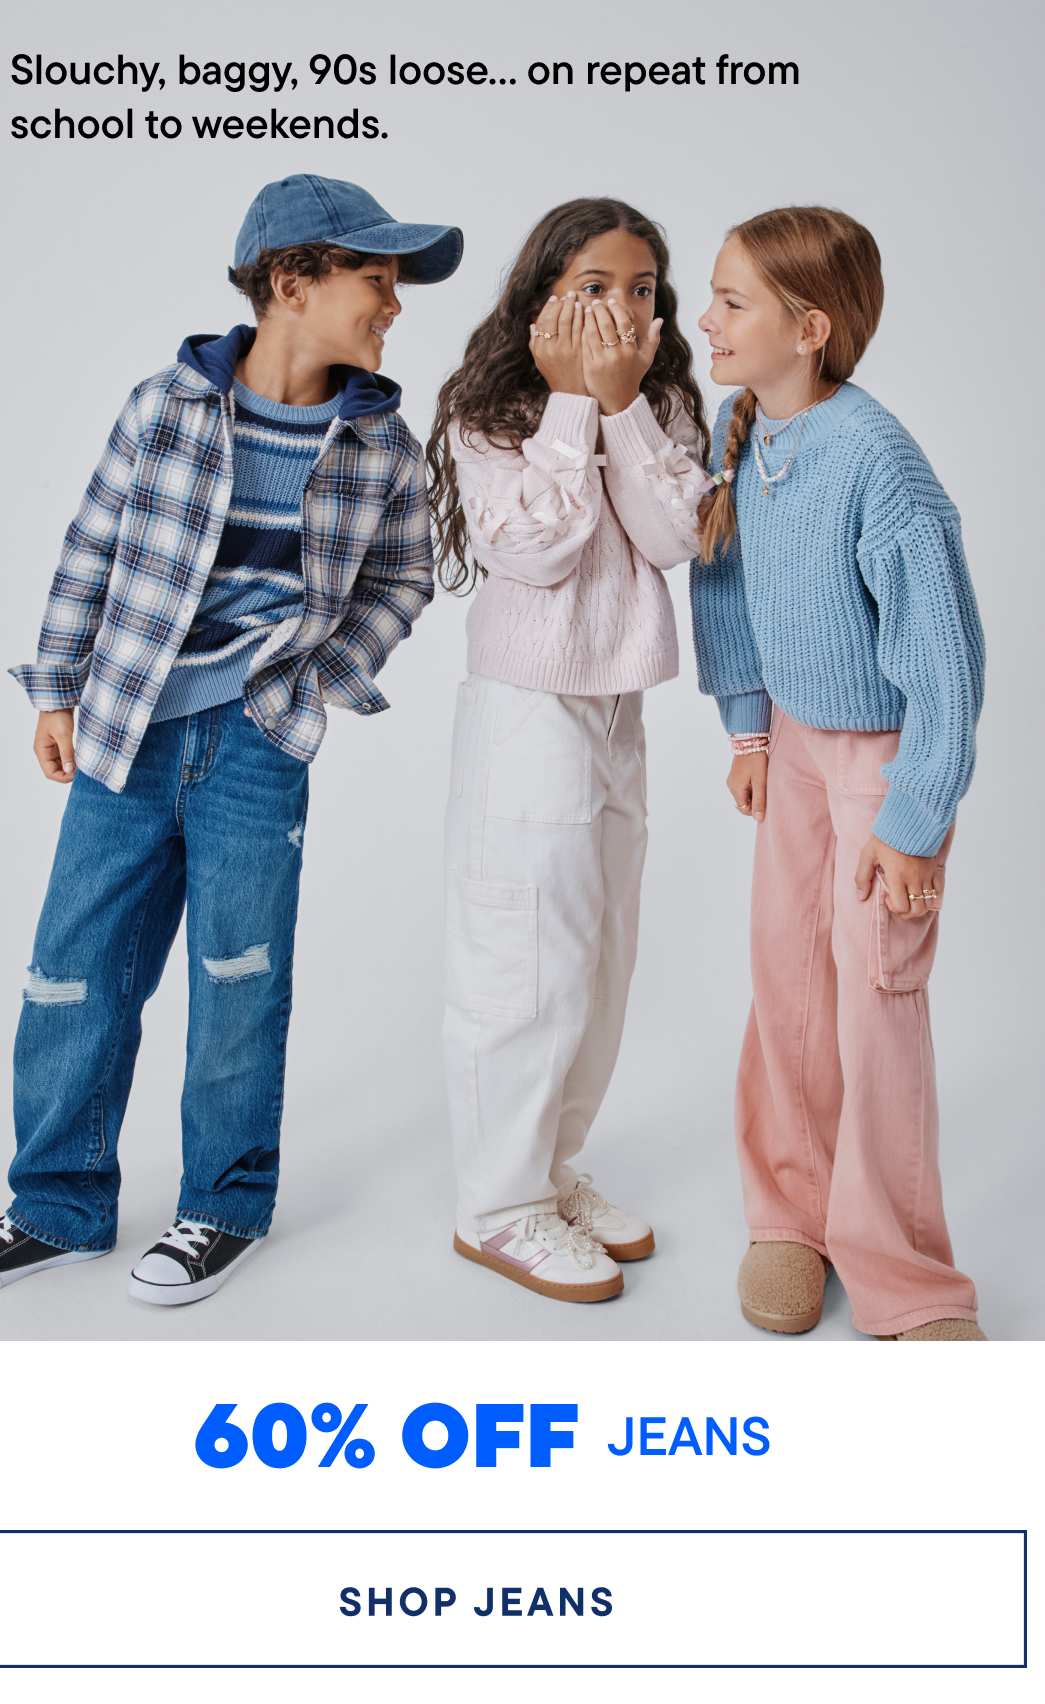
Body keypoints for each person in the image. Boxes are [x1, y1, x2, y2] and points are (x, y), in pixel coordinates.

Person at [0, 174, 461, 1306]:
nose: (394, 303)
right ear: (291, 282)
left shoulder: (378, 438)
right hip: (130, 732)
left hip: (258, 743)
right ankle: (58, 1208)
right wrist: (55, 689)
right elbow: (91, 547)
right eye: (374, 278)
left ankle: (223, 1208)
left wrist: (320, 676)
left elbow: (406, 572)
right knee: (72, 972)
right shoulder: (163, 407)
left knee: (239, 978)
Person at [691, 206, 986, 1339]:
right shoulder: (745, 426)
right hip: (799, 753)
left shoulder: (878, 463)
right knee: (788, 983)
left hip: (884, 765)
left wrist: (914, 816)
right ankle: (790, 1217)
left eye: (732, 302)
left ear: (808, 327)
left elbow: (946, 665)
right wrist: (749, 727)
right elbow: (723, 581)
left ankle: (907, 1279)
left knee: (878, 1003)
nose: (705, 319)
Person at [428, 198, 711, 1302]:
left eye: (641, 289)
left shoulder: (665, 403)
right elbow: (535, 554)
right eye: (594, 285)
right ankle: (496, 1206)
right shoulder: (493, 412)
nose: (621, 308)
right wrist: (566, 410)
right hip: (526, 712)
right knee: (523, 960)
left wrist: (625, 410)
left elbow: (675, 537)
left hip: (615, 708)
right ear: (545, 291)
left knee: (600, 959)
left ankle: (548, 1170)